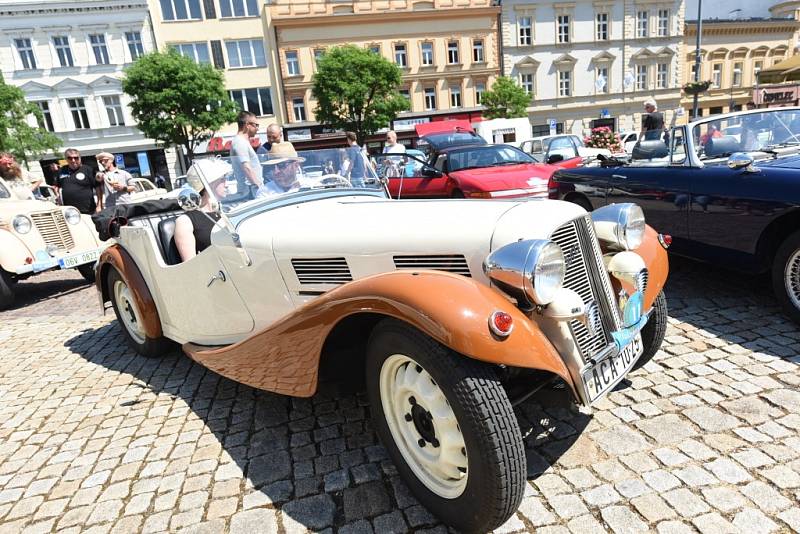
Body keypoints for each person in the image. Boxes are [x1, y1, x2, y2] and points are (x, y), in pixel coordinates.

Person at [174, 159, 229, 262]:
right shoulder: (185, 221)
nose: (227, 184)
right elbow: (191, 265)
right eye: (222, 179)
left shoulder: (226, 211)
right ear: (209, 184)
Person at [55, 148, 102, 214]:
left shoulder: (88, 170)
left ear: (80, 158)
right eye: (70, 158)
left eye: (76, 158)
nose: (73, 160)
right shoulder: (61, 171)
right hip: (69, 211)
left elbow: (97, 187)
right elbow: (57, 186)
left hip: (88, 209)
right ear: (66, 159)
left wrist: (99, 205)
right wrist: (58, 198)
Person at [230, 111, 264, 198]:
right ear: (247, 125)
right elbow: (247, 167)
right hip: (251, 193)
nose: (257, 128)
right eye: (256, 125)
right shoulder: (240, 142)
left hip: (251, 191)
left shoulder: (241, 142)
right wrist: (260, 187)